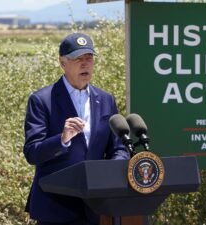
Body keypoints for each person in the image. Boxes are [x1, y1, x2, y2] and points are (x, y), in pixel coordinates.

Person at [23, 33, 129, 225]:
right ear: (62, 63)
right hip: (55, 208)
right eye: (78, 58)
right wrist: (62, 139)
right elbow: (32, 153)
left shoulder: (106, 99)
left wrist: (112, 171)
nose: (85, 64)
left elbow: (118, 148)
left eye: (89, 58)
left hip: (97, 207)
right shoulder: (42, 100)